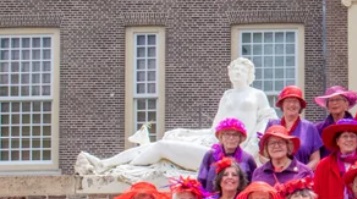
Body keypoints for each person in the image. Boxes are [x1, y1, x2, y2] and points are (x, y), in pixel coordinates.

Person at [76, 57, 274, 173]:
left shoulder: (257, 95)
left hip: (231, 152)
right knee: (165, 140)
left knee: (161, 146)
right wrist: (190, 134)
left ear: (249, 74)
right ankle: (107, 164)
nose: (237, 72)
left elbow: (267, 121)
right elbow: (215, 128)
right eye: (234, 69)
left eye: (242, 69)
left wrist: (253, 147)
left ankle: (123, 168)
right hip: (213, 145)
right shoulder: (227, 95)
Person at [196, 118, 256, 193]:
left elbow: (253, 185)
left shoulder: (248, 159)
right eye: (227, 134)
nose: (231, 138)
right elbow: (200, 182)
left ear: (240, 138)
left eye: (235, 135)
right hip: (211, 198)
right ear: (221, 137)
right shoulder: (210, 155)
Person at [269, 85, 322, 168]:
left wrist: (301, 172)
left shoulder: (309, 127)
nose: (291, 104)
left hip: (303, 175)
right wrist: (276, 169)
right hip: (275, 174)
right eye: (288, 101)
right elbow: (262, 155)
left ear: (300, 106)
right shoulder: (272, 124)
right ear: (282, 104)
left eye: (295, 101)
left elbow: (315, 159)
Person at [314, 86, 357, 159]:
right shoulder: (318, 128)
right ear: (327, 106)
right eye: (331, 100)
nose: (334, 103)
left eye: (338, 99)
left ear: (346, 103)